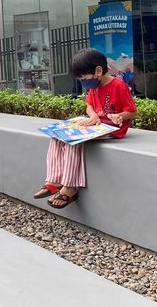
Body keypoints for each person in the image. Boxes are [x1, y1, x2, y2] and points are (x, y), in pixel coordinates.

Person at [34, 48, 137, 209]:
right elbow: (89, 104)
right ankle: (53, 179)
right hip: (97, 124)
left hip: (111, 128)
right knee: (57, 136)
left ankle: (69, 187)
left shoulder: (118, 86)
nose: (83, 82)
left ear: (98, 71)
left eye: (84, 78)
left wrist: (119, 117)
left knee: (73, 141)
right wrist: (94, 115)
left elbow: (132, 111)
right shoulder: (94, 86)